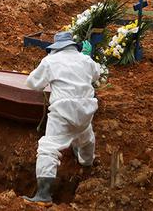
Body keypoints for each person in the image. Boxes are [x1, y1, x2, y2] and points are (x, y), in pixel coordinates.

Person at [23, 32, 100, 205]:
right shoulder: (85, 60)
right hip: (86, 110)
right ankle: (87, 164)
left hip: (63, 112)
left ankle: (43, 194)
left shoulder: (50, 61)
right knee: (87, 138)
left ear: (56, 48)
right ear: (73, 45)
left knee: (49, 147)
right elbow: (97, 74)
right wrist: (88, 58)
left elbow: (32, 83)